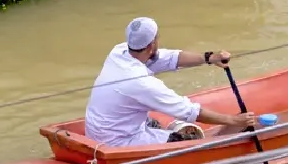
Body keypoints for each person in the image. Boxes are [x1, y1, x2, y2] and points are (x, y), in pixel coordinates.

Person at [84, 17, 257, 148]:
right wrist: (233, 120)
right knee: (189, 140)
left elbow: (168, 58)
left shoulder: (119, 51)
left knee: (154, 123)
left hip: (99, 132)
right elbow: (189, 111)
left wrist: (209, 58)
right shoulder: (141, 82)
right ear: (152, 44)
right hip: (116, 143)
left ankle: (167, 131)